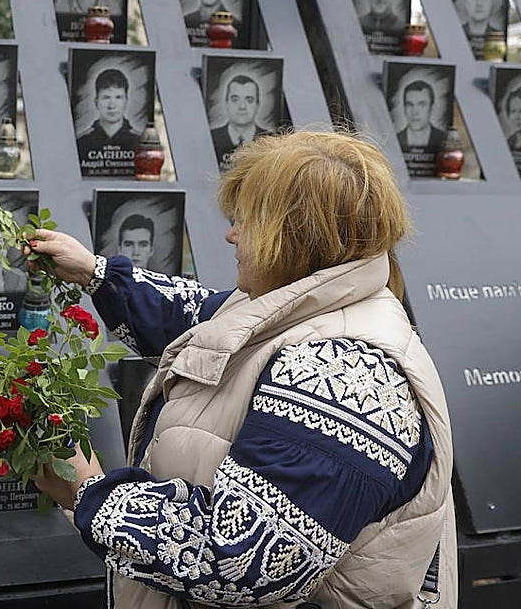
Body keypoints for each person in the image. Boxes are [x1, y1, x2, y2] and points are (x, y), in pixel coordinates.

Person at [26, 131, 456, 609]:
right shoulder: (293, 306)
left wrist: (91, 496)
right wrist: (96, 274)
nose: (231, 234)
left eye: (245, 220)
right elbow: (198, 325)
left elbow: (247, 563)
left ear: (292, 236)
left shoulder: (346, 374)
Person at [76, 68, 141, 159]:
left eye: (118, 97)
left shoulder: (140, 142)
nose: (112, 105)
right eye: (106, 97)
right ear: (96, 102)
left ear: (126, 101)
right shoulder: (80, 143)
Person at [210, 74, 272, 160]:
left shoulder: (273, 140)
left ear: (257, 105)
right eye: (235, 99)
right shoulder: (209, 138)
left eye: (249, 100)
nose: (242, 106)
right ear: (226, 103)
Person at [396, 79, 444, 151]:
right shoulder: (394, 139)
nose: (415, 112)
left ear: (432, 108)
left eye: (422, 104)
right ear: (404, 109)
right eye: (410, 104)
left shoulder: (444, 139)